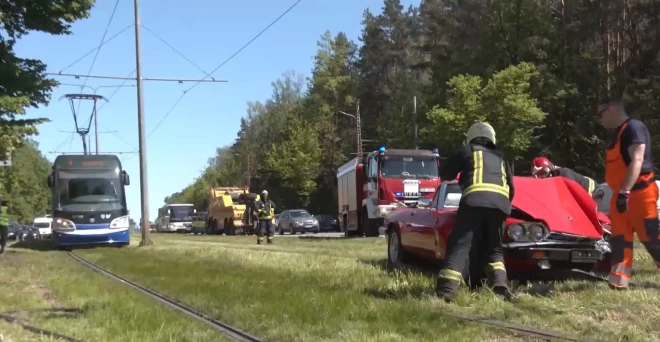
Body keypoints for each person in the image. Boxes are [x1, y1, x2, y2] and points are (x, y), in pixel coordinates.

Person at [435, 122, 515, 302]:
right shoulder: (501, 157)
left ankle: (446, 291)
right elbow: (511, 188)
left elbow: (445, 173)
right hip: (501, 205)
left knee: (461, 245)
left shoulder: (467, 151)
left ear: (470, 137)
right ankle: (500, 286)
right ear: (492, 138)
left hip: (474, 202)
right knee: (494, 248)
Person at [597, 97, 660, 289]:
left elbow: (637, 160)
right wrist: (621, 193)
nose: (599, 119)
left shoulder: (634, 128)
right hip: (621, 194)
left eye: (601, 114)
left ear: (613, 109)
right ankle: (618, 282)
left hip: (640, 194)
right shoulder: (617, 133)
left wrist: (625, 191)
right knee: (619, 239)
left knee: (651, 238)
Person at [531, 157, 605, 201]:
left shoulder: (564, 174)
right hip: (583, 197)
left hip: (594, 191)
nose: (541, 179)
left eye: (542, 174)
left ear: (550, 169)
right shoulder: (552, 181)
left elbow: (572, 196)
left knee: (594, 219)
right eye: (537, 176)